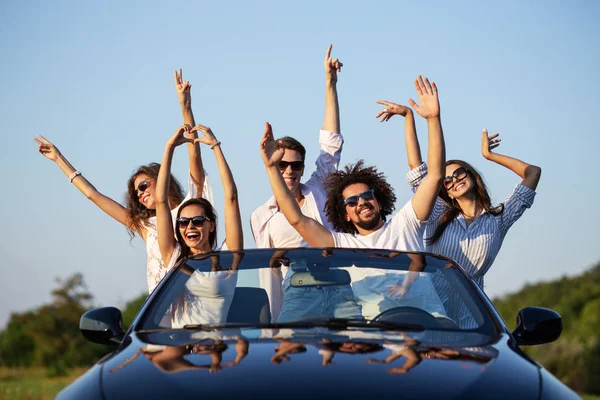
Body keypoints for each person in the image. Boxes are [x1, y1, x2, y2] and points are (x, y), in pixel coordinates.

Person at [260, 76, 447, 320]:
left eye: (366, 195)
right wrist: (272, 169)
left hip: (433, 327)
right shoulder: (345, 246)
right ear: (344, 214)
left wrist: (433, 120)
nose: (361, 203)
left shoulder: (407, 223)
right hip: (376, 338)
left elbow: (434, 176)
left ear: (378, 199)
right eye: (351, 202)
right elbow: (296, 219)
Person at [33, 70, 212, 293]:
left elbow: (194, 155)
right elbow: (93, 195)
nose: (140, 193)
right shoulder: (146, 225)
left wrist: (185, 107)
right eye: (136, 192)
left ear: (162, 179)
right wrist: (59, 159)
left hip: (202, 293)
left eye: (144, 185)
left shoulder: (192, 208)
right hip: (162, 305)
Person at [375, 100, 541, 288]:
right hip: (434, 307)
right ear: (447, 192)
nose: (455, 180)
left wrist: (489, 155)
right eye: (447, 181)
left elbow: (533, 172)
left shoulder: (499, 219)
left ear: (471, 175)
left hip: (472, 311)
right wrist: (408, 117)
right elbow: (416, 168)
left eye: (459, 173)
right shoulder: (438, 212)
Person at [251, 44, 344, 321]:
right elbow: (270, 275)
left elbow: (331, 145)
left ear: (303, 167)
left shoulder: (318, 190)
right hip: (296, 299)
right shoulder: (261, 216)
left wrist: (330, 84)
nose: (289, 170)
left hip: (337, 289)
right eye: (282, 165)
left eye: (296, 165)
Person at [155, 124, 243, 327]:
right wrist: (169, 148)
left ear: (211, 226)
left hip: (214, 349)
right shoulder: (175, 258)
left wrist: (216, 147)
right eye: (183, 222)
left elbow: (231, 197)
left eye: (198, 221)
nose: (190, 227)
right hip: (179, 348)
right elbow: (161, 201)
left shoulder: (228, 258)